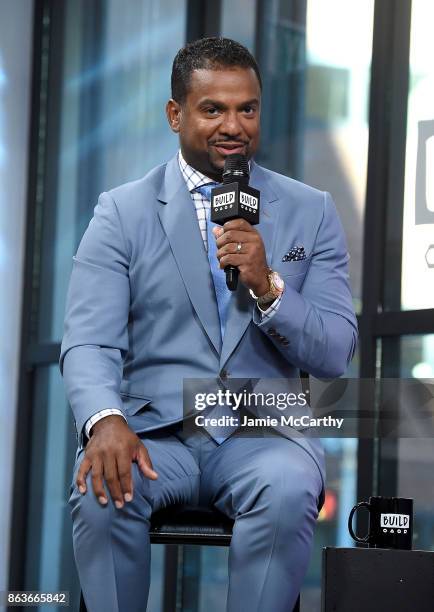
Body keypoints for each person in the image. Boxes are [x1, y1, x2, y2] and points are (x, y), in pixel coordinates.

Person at [60, 37, 358, 612]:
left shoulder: (311, 210)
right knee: (101, 485)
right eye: (212, 109)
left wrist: (269, 285)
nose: (234, 125)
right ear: (176, 114)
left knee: (291, 484)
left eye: (247, 108)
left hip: (262, 437)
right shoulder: (121, 212)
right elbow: (89, 339)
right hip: (155, 435)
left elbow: (335, 350)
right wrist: (104, 419)